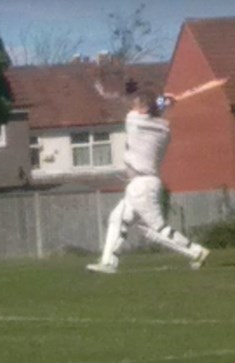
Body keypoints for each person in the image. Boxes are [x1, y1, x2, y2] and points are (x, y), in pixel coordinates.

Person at [86, 89, 209, 274]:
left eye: (136, 104)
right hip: (146, 183)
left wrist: (162, 101)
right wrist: (163, 102)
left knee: (157, 229)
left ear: (142, 109)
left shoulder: (134, 121)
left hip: (141, 185)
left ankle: (196, 251)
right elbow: (152, 109)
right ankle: (108, 262)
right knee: (117, 219)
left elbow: (140, 109)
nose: (132, 107)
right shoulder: (164, 129)